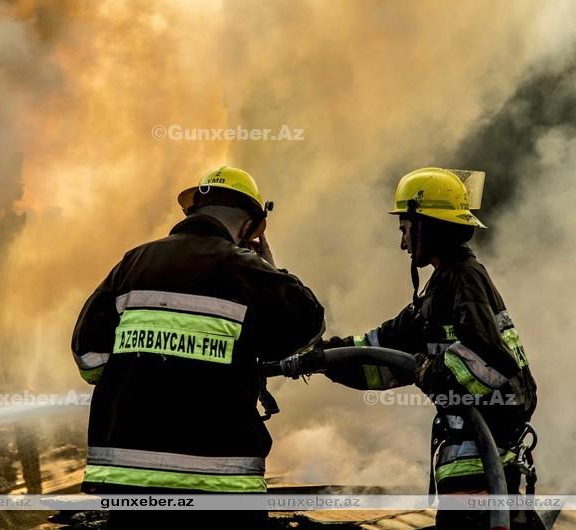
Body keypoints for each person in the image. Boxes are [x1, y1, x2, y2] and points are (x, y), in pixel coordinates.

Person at [71, 165, 325, 529]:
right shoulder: (246, 270)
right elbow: (309, 322)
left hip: (132, 479)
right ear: (251, 227)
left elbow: (89, 359)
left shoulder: (134, 262)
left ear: (191, 212)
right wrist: (272, 267)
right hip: (221, 480)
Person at [302, 167, 539, 529]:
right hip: (468, 459)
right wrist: (319, 358)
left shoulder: (464, 278)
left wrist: (431, 371)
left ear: (426, 225)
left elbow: (491, 357)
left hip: (480, 463)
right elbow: (380, 352)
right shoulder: (439, 290)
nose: (402, 242)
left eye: (405, 229)